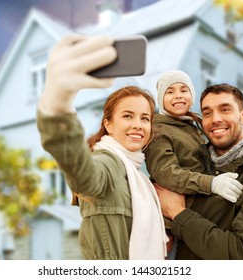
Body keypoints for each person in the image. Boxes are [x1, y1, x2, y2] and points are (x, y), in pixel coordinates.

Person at [36, 34, 168, 260]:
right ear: (108, 124)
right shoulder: (107, 163)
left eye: (145, 118)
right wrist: (57, 104)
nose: (138, 125)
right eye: (128, 116)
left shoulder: (137, 174)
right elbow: (82, 173)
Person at [154, 83, 243, 259]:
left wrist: (177, 212)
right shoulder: (191, 161)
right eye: (207, 113)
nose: (215, 119)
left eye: (225, 110)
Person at [143, 70, 243, 258]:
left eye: (184, 90)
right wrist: (211, 183)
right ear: (160, 99)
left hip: (194, 216)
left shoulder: (191, 125)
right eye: (170, 91)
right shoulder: (159, 130)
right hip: (171, 226)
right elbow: (166, 173)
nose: (178, 95)